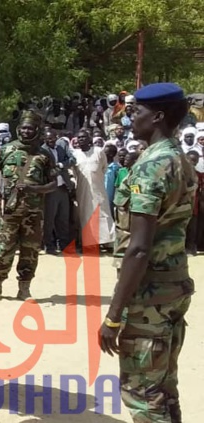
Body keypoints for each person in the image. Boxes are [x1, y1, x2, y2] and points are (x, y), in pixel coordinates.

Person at [99, 82, 196, 423]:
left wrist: (113, 316)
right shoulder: (178, 159)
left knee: (143, 394)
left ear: (157, 116)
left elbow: (138, 249)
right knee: (164, 387)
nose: (130, 117)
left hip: (149, 295)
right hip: (173, 286)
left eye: (136, 111)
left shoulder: (151, 166)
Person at [0, 111, 56, 301]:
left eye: (30, 128)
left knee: (30, 251)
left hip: (33, 212)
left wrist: (35, 189)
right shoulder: (7, 149)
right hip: (10, 209)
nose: (26, 131)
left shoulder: (44, 154)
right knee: (4, 248)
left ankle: (24, 288)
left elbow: (53, 184)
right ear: (19, 129)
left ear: (36, 130)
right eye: (24, 128)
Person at [71, 129, 116, 251]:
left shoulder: (98, 152)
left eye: (84, 137)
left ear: (89, 139)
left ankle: (108, 243)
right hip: (83, 191)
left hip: (99, 189)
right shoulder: (75, 154)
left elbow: (104, 168)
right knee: (86, 216)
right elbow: (73, 173)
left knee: (103, 214)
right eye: (79, 138)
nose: (81, 140)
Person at [42, 130, 74, 254]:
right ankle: (49, 245)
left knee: (63, 218)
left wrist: (61, 165)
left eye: (53, 138)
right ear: (44, 138)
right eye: (49, 138)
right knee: (49, 219)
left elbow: (72, 160)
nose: (51, 140)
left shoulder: (61, 147)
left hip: (63, 187)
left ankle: (64, 245)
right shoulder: (42, 150)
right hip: (50, 188)